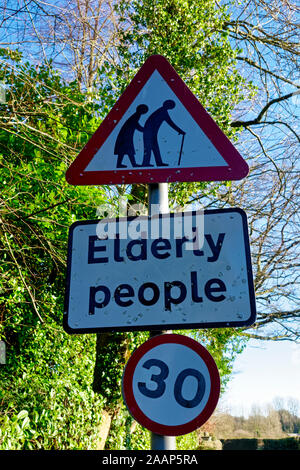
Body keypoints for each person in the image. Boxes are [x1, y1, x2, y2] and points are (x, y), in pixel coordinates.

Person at [142, 100, 185, 167]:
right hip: (149, 132)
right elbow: (170, 123)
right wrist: (180, 131)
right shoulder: (162, 112)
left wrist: (180, 131)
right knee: (148, 148)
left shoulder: (162, 111)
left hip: (152, 132)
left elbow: (170, 122)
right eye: (170, 106)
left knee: (155, 147)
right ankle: (145, 163)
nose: (171, 107)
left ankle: (159, 163)